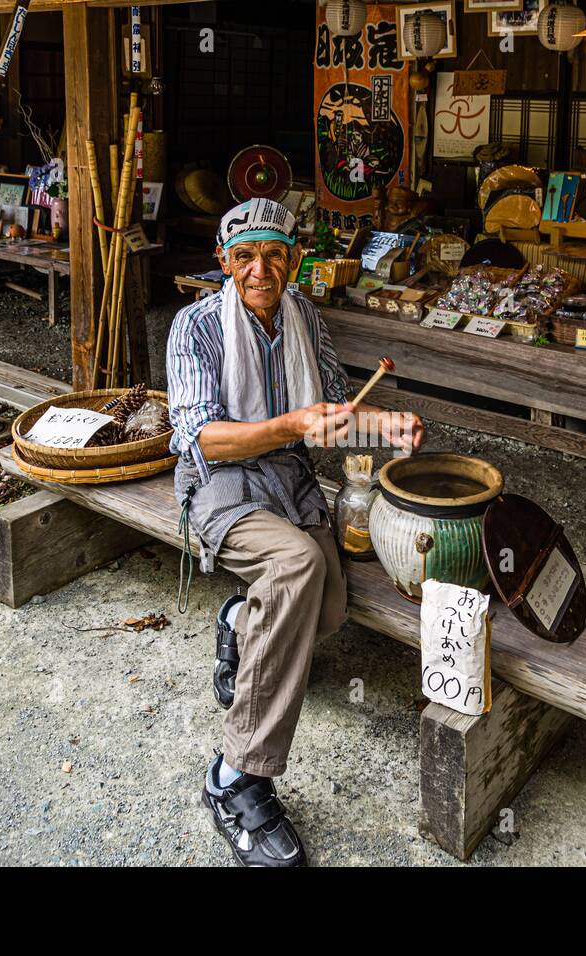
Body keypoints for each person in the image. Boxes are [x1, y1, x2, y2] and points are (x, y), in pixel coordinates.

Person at [165, 198, 425, 866]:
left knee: (329, 609)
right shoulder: (195, 325)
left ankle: (239, 621)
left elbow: (332, 415)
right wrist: (288, 428)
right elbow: (202, 439)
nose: (261, 270)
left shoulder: (305, 316)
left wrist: (382, 428)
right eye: (246, 255)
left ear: (295, 262)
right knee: (297, 571)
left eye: (275, 255)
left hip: (288, 477)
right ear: (224, 261)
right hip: (220, 483)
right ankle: (236, 776)